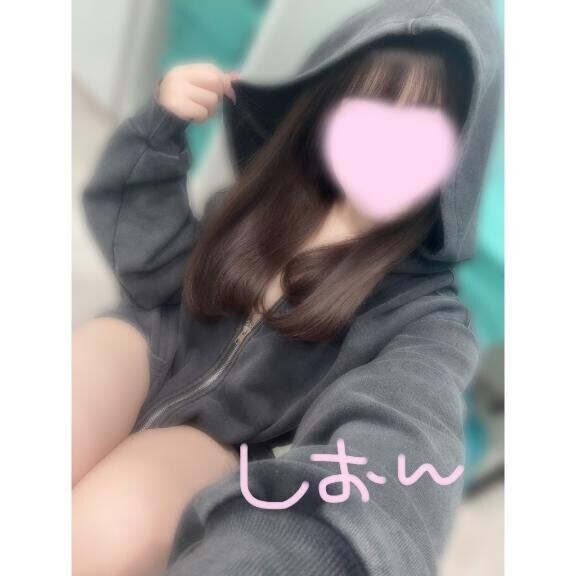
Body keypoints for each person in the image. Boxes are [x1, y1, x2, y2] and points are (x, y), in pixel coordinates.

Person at [72, 1, 503, 575]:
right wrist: (158, 133)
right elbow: (154, 269)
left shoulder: (423, 315)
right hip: (145, 345)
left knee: (97, 534)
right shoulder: (270, 194)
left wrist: (331, 548)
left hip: (220, 442)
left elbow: (408, 436)